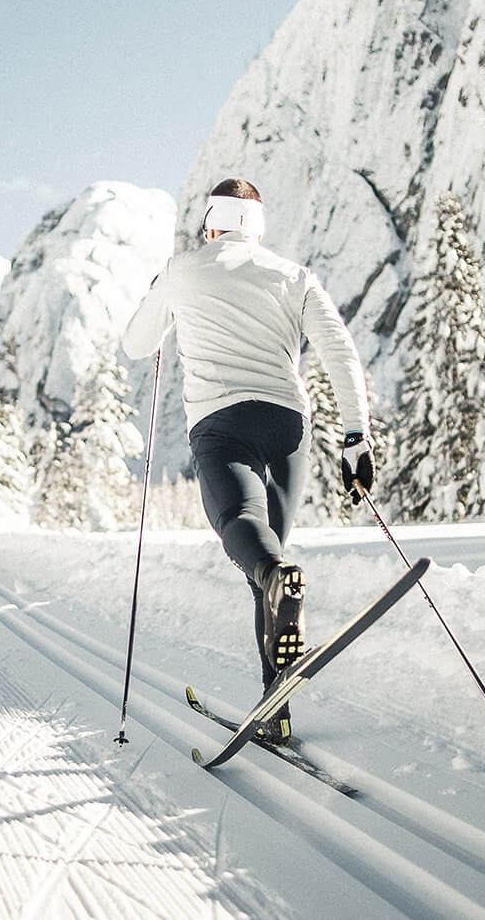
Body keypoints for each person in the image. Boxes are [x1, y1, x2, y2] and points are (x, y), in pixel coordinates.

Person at [121, 178, 378, 743]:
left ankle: (275, 673)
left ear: (211, 223)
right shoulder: (294, 276)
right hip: (288, 426)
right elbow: (339, 351)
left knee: (248, 539)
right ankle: (275, 704)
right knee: (270, 563)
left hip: (222, 424)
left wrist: (159, 292)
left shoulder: (184, 267)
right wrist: (356, 436)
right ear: (258, 228)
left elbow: (137, 344)